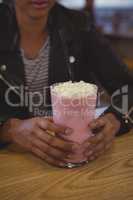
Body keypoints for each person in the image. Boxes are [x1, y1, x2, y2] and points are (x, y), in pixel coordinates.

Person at [0, 0, 132, 167]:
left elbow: (127, 86)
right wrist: (8, 130)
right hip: (13, 164)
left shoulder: (78, 25)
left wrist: (116, 118)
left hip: (79, 159)